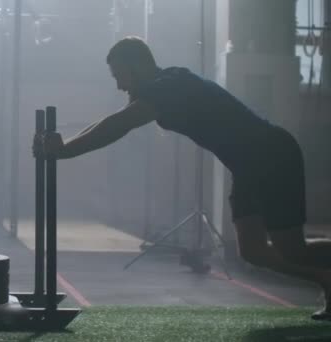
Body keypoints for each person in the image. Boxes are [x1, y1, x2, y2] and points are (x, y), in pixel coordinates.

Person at [33, 36, 331, 320]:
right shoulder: (162, 84)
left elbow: (117, 125)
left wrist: (64, 151)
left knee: (292, 249)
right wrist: (64, 148)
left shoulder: (168, 86)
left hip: (272, 156)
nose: (120, 85)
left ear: (136, 67)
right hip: (247, 165)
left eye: (120, 75)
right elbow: (113, 121)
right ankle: (325, 279)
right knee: (253, 251)